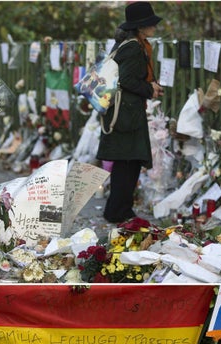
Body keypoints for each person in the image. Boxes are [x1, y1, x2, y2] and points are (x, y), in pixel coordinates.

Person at [97, 1, 165, 223]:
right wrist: (149, 90)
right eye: (150, 24)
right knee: (129, 163)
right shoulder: (134, 47)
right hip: (127, 115)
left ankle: (117, 210)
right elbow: (127, 80)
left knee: (125, 163)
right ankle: (120, 211)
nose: (154, 28)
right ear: (140, 26)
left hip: (123, 112)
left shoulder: (124, 44)